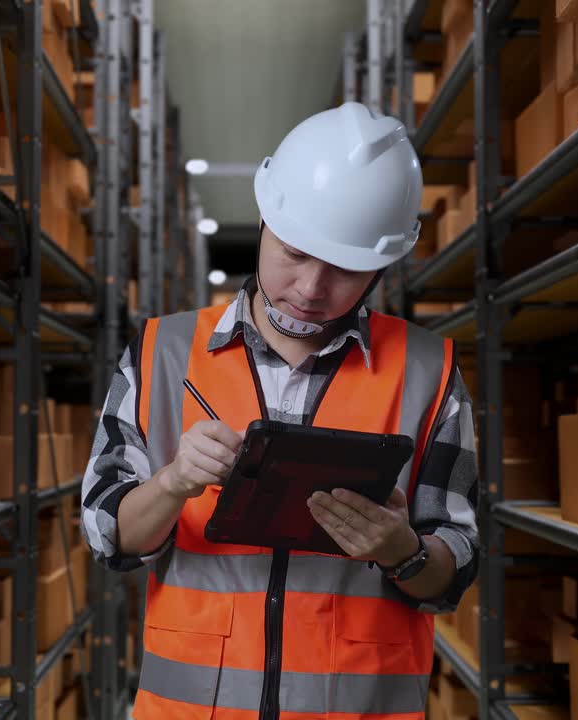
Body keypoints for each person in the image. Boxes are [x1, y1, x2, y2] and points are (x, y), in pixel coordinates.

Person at [81, 102, 479, 720]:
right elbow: (111, 539)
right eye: (295, 253)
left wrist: (404, 550)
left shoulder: (427, 370)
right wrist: (172, 483)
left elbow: (454, 570)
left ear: (381, 266)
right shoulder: (162, 352)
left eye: (347, 269)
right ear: (266, 218)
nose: (313, 287)